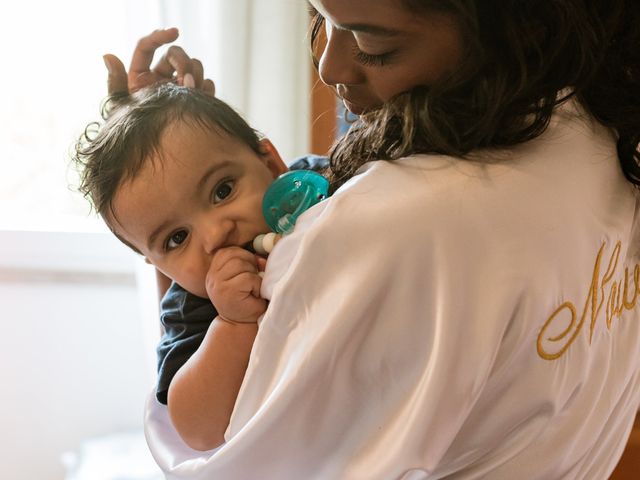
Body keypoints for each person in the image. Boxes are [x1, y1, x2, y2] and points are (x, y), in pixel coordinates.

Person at [104, 1, 640, 478]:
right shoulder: (592, 128)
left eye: (370, 42)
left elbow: (224, 465)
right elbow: (196, 423)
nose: (327, 68)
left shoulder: (369, 214)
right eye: (175, 238)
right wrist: (227, 316)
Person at [73, 82, 327, 451]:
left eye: (222, 191)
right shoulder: (193, 309)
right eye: (176, 238)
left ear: (271, 164)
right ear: (156, 264)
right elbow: (196, 430)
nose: (214, 236)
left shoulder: (316, 190)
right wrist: (233, 325)